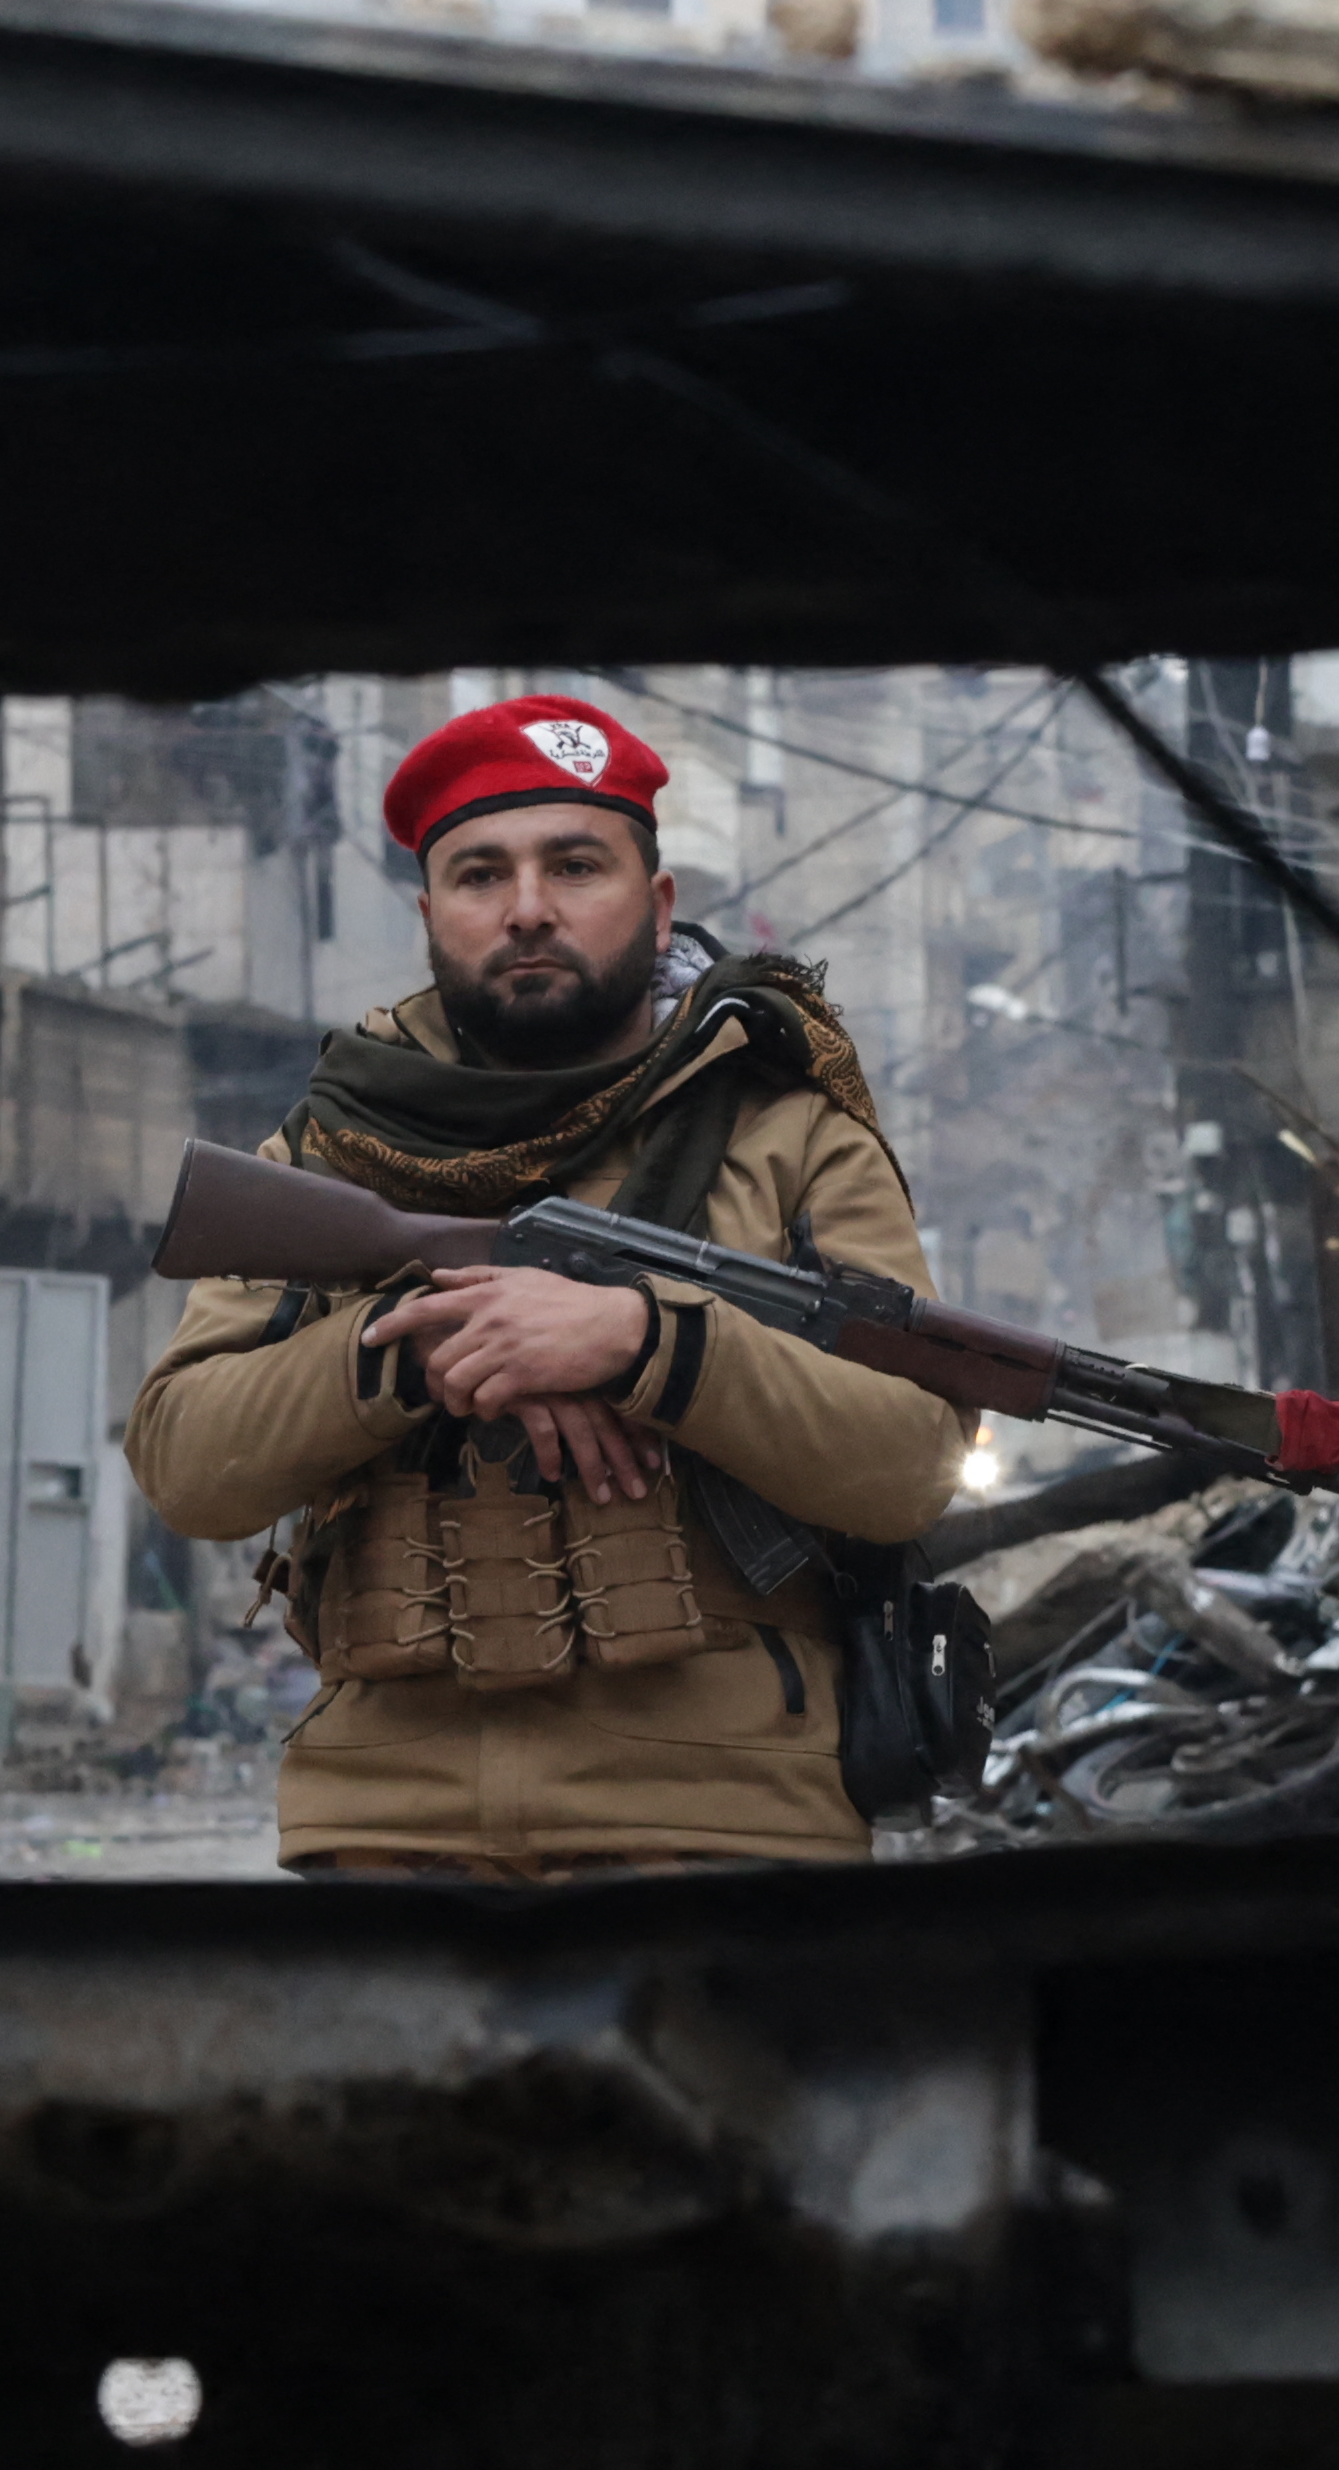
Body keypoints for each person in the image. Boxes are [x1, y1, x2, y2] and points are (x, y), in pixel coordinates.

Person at [122, 694, 962, 1875]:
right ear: (427, 914)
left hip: (720, 1822)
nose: (526, 909)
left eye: (574, 865)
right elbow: (183, 1461)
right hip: (384, 1826)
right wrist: (427, 1345)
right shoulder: (328, 1151)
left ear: (657, 900)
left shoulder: (791, 1134)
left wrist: (643, 1343)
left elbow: (911, 1463)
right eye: (479, 875)